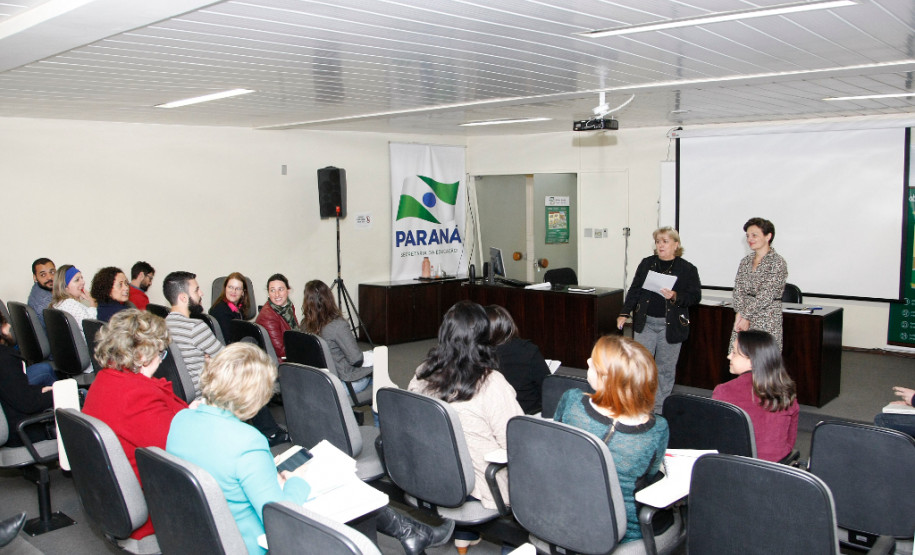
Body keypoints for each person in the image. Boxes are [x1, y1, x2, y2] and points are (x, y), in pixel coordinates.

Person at [167, 343, 453, 555]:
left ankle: (411, 533)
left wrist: (270, 477)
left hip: (205, 536)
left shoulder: (181, 419)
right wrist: (298, 482)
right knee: (343, 486)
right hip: (253, 543)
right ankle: (408, 535)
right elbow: (277, 511)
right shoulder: (247, 442)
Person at [409, 301, 523, 552]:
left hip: (433, 475)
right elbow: (517, 444)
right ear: (485, 337)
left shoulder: (422, 373)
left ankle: (465, 532)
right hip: (480, 486)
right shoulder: (492, 384)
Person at [82, 309, 188, 541]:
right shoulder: (137, 395)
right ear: (142, 355)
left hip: (117, 494)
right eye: (161, 352)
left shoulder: (106, 379)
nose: (162, 359)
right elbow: (183, 446)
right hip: (155, 501)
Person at [553, 335, 669, 544]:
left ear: (607, 378)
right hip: (622, 527)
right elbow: (648, 477)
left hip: (564, 513)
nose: (587, 362)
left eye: (594, 361)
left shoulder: (572, 401)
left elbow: (555, 444)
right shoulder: (657, 429)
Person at [163, 271, 287, 446]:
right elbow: (227, 359)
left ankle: (268, 429)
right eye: (197, 290)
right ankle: (270, 433)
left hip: (181, 391)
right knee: (245, 376)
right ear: (183, 297)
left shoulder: (165, 324)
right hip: (203, 391)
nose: (202, 293)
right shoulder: (195, 327)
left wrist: (209, 360)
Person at [617, 227, 701, 413]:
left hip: (669, 327)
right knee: (641, 366)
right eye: (658, 241)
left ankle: (659, 409)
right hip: (645, 323)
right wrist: (624, 312)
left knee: (664, 369)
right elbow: (635, 290)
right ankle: (638, 404)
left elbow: (695, 297)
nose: (660, 245)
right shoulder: (647, 263)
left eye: (665, 241)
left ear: (676, 245)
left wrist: (675, 296)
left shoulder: (687, 268)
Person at [712, 330, 799, 462]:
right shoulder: (786, 391)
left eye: (734, 353)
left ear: (752, 360)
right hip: (774, 469)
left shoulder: (724, 391)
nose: (729, 356)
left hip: (734, 466)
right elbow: (789, 441)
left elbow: (717, 436)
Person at [300, 280, 372, 393]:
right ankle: (378, 407)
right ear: (329, 298)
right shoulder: (338, 326)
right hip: (342, 383)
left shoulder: (304, 325)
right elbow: (356, 360)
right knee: (377, 366)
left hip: (318, 381)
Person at [731, 217, 788, 351]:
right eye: (748, 236)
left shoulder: (778, 262)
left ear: (768, 236)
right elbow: (738, 289)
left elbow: (767, 295)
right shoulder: (745, 261)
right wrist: (739, 314)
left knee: (763, 362)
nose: (750, 239)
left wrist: (746, 316)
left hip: (766, 317)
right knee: (741, 358)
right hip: (743, 316)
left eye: (754, 235)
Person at [0, 313, 54, 447]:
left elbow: (14, 391)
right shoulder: (5, 359)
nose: (9, 326)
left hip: (11, 422)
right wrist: (56, 393)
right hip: (22, 432)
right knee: (80, 394)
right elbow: (28, 403)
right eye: (5, 324)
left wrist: (40, 390)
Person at [484, 305, 550, 414]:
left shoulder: (474, 354)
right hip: (529, 416)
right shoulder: (528, 350)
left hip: (492, 416)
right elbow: (548, 388)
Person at [0, 313, 55, 388]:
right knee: (45, 371)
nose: (9, 325)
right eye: (5, 323)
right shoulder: (6, 356)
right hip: (8, 387)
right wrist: (39, 391)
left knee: (45, 368)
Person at [255, 274, 296, 361]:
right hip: (279, 364)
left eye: (280, 289)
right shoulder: (268, 316)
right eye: (272, 290)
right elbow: (281, 351)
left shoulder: (288, 307)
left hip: (291, 355)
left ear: (288, 291)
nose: (277, 294)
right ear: (268, 293)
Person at [209, 272, 250, 343]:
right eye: (230, 287)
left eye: (238, 288)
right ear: (225, 289)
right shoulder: (221, 311)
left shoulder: (239, 308)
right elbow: (229, 341)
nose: (233, 291)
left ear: (243, 292)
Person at [28, 258, 55, 328]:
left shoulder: (36, 288)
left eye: (52, 272)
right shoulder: (45, 303)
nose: (49, 277)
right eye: (43, 275)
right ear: (35, 278)